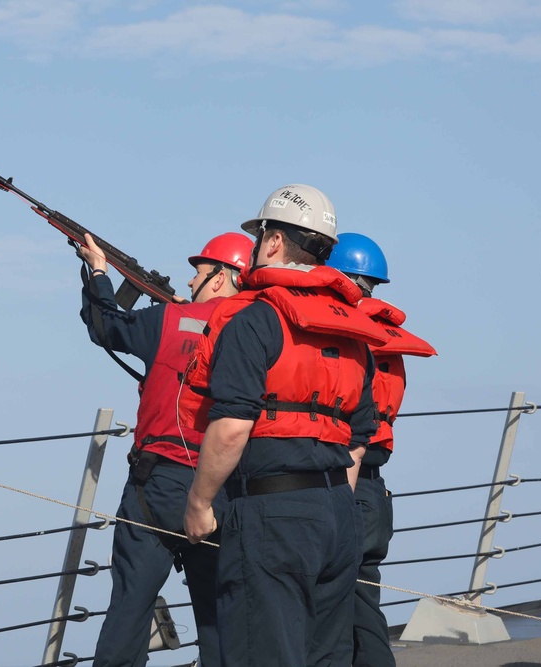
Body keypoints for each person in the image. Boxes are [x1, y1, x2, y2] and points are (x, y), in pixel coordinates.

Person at [183, 185, 390, 667]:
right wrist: (331, 502)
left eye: (258, 239)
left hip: (271, 513)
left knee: (262, 651)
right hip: (340, 513)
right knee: (327, 655)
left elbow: (232, 426)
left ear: (272, 242)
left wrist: (199, 504)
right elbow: (359, 439)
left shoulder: (256, 319)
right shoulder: (351, 330)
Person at [78, 230, 253, 667]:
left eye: (198, 273)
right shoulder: (258, 330)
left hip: (155, 485)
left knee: (130, 606)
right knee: (219, 614)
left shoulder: (168, 319)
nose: (190, 282)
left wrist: (97, 270)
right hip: (223, 489)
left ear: (220, 277)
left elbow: (106, 326)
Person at [327, 232, 437, 667]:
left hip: (346, 483)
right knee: (363, 600)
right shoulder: (387, 340)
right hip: (375, 491)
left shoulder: (351, 337)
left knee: (337, 606)